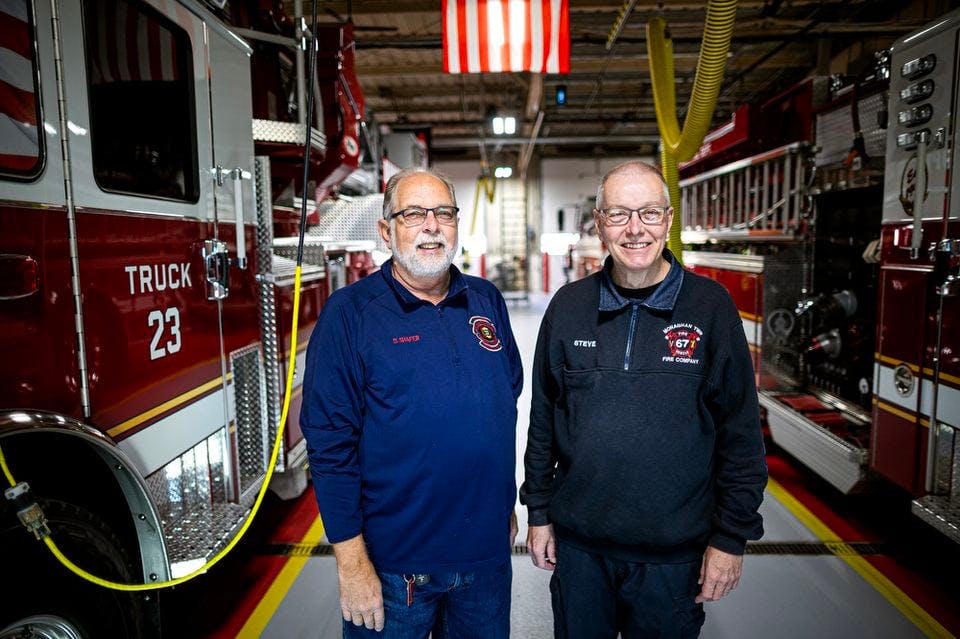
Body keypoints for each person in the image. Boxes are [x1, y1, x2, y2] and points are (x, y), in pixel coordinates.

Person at [520, 160, 767, 638]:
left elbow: (740, 435)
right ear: (599, 224)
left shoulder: (710, 308)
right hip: (580, 553)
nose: (635, 230)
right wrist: (540, 513)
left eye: (649, 213)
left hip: (674, 559)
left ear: (669, 220)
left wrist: (730, 538)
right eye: (618, 215)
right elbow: (543, 421)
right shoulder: (569, 308)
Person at [300, 167, 523, 638]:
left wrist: (504, 506)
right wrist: (351, 563)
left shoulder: (486, 300)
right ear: (386, 231)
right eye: (413, 214)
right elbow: (329, 446)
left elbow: (504, 403)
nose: (431, 225)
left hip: (484, 563)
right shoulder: (350, 314)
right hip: (395, 569)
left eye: (443, 212)